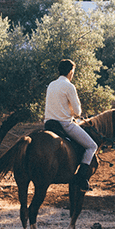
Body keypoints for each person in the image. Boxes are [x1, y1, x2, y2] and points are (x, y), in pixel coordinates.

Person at [44, 59, 98, 190]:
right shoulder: (69, 86)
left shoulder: (51, 84)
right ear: (70, 72)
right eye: (73, 72)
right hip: (65, 125)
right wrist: (72, 112)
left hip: (48, 124)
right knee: (92, 146)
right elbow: (78, 112)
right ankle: (81, 179)